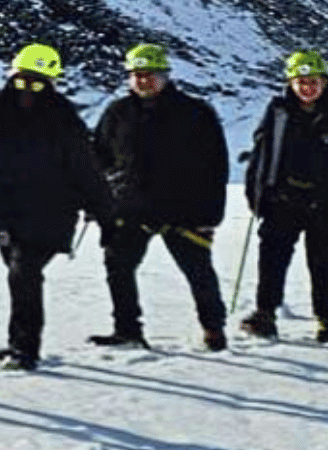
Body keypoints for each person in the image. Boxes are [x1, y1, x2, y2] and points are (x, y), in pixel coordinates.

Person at [0, 45, 109, 370]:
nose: (28, 89)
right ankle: (19, 343)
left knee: (24, 272)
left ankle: (24, 348)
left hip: (52, 213)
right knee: (19, 275)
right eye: (22, 81)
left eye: (37, 83)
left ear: (51, 84)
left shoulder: (64, 120)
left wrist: (106, 219)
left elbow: (87, 171)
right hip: (5, 212)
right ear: (11, 78)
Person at [89, 44, 230, 351]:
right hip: (130, 207)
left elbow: (216, 167)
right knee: (118, 268)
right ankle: (127, 330)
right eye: (137, 75)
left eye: (150, 75)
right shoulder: (117, 113)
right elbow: (98, 158)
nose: (143, 81)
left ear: (165, 75)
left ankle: (214, 329)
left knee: (198, 272)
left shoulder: (195, 112)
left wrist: (210, 216)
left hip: (185, 210)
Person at [241, 51, 328, 341]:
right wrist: (256, 192)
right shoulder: (278, 111)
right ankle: (265, 314)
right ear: (291, 83)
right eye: (301, 82)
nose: (307, 88)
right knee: (272, 261)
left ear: (324, 82)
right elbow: (262, 152)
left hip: (327, 202)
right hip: (283, 198)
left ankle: (326, 319)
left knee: (324, 264)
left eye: (313, 82)